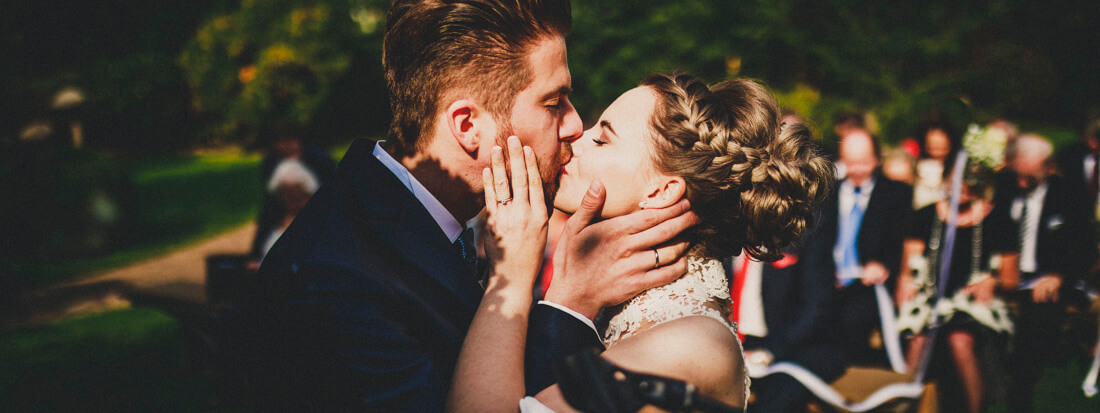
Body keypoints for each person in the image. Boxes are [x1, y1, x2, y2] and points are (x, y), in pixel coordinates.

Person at [240, 1, 696, 410]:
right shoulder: (339, 278)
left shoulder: (424, 218)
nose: (576, 123)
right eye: (554, 102)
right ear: (468, 126)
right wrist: (566, 301)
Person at [448, 73, 834, 411]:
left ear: (662, 191)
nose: (575, 139)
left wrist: (513, 279)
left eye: (601, 139)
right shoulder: (627, 303)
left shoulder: (690, 342)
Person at [896, 162, 1018, 413]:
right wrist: (906, 283)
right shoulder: (925, 215)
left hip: (973, 302)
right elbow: (909, 268)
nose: (961, 187)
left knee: (960, 338)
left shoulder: (998, 219)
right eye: (955, 179)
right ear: (945, 180)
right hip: (930, 297)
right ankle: (901, 405)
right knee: (917, 339)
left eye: (970, 182)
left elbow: (1011, 279)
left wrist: (991, 280)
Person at [994, 134, 1098, 412]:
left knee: (1035, 320)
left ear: (1049, 168)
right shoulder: (1004, 189)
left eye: (1029, 177)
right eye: (1017, 174)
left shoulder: (1070, 196)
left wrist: (1059, 276)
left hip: (1049, 281)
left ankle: (1021, 394)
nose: (1021, 183)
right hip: (1006, 276)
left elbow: (1084, 249)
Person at [815, 129, 912, 366]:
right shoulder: (828, 192)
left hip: (868, 286)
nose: (857, 170)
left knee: (853, 320)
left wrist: (883, 265)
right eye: (851, 163)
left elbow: (899, 240)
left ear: (877, 159)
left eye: (864, 163)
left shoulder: (895, 194)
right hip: (826, 280)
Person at [733, 239, 846, 413]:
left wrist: (770, 351)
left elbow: (817, 309)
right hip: (735, 340)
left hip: (796, 343)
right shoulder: (721, 234)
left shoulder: (804, 234)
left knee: (778, 397)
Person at [248, 123, 335, 264]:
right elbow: (268, 208)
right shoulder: (271, 161)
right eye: (278, 143)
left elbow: (331, 192)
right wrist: (255, 255)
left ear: (296, 141)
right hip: (281, 209)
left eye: (286, 142)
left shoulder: (319, 160)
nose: (282, 147)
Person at [912, 120, 959, 209]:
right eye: (932, 145)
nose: (937, 145)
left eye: (941, 146)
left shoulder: (957, 167)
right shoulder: (920, 166)